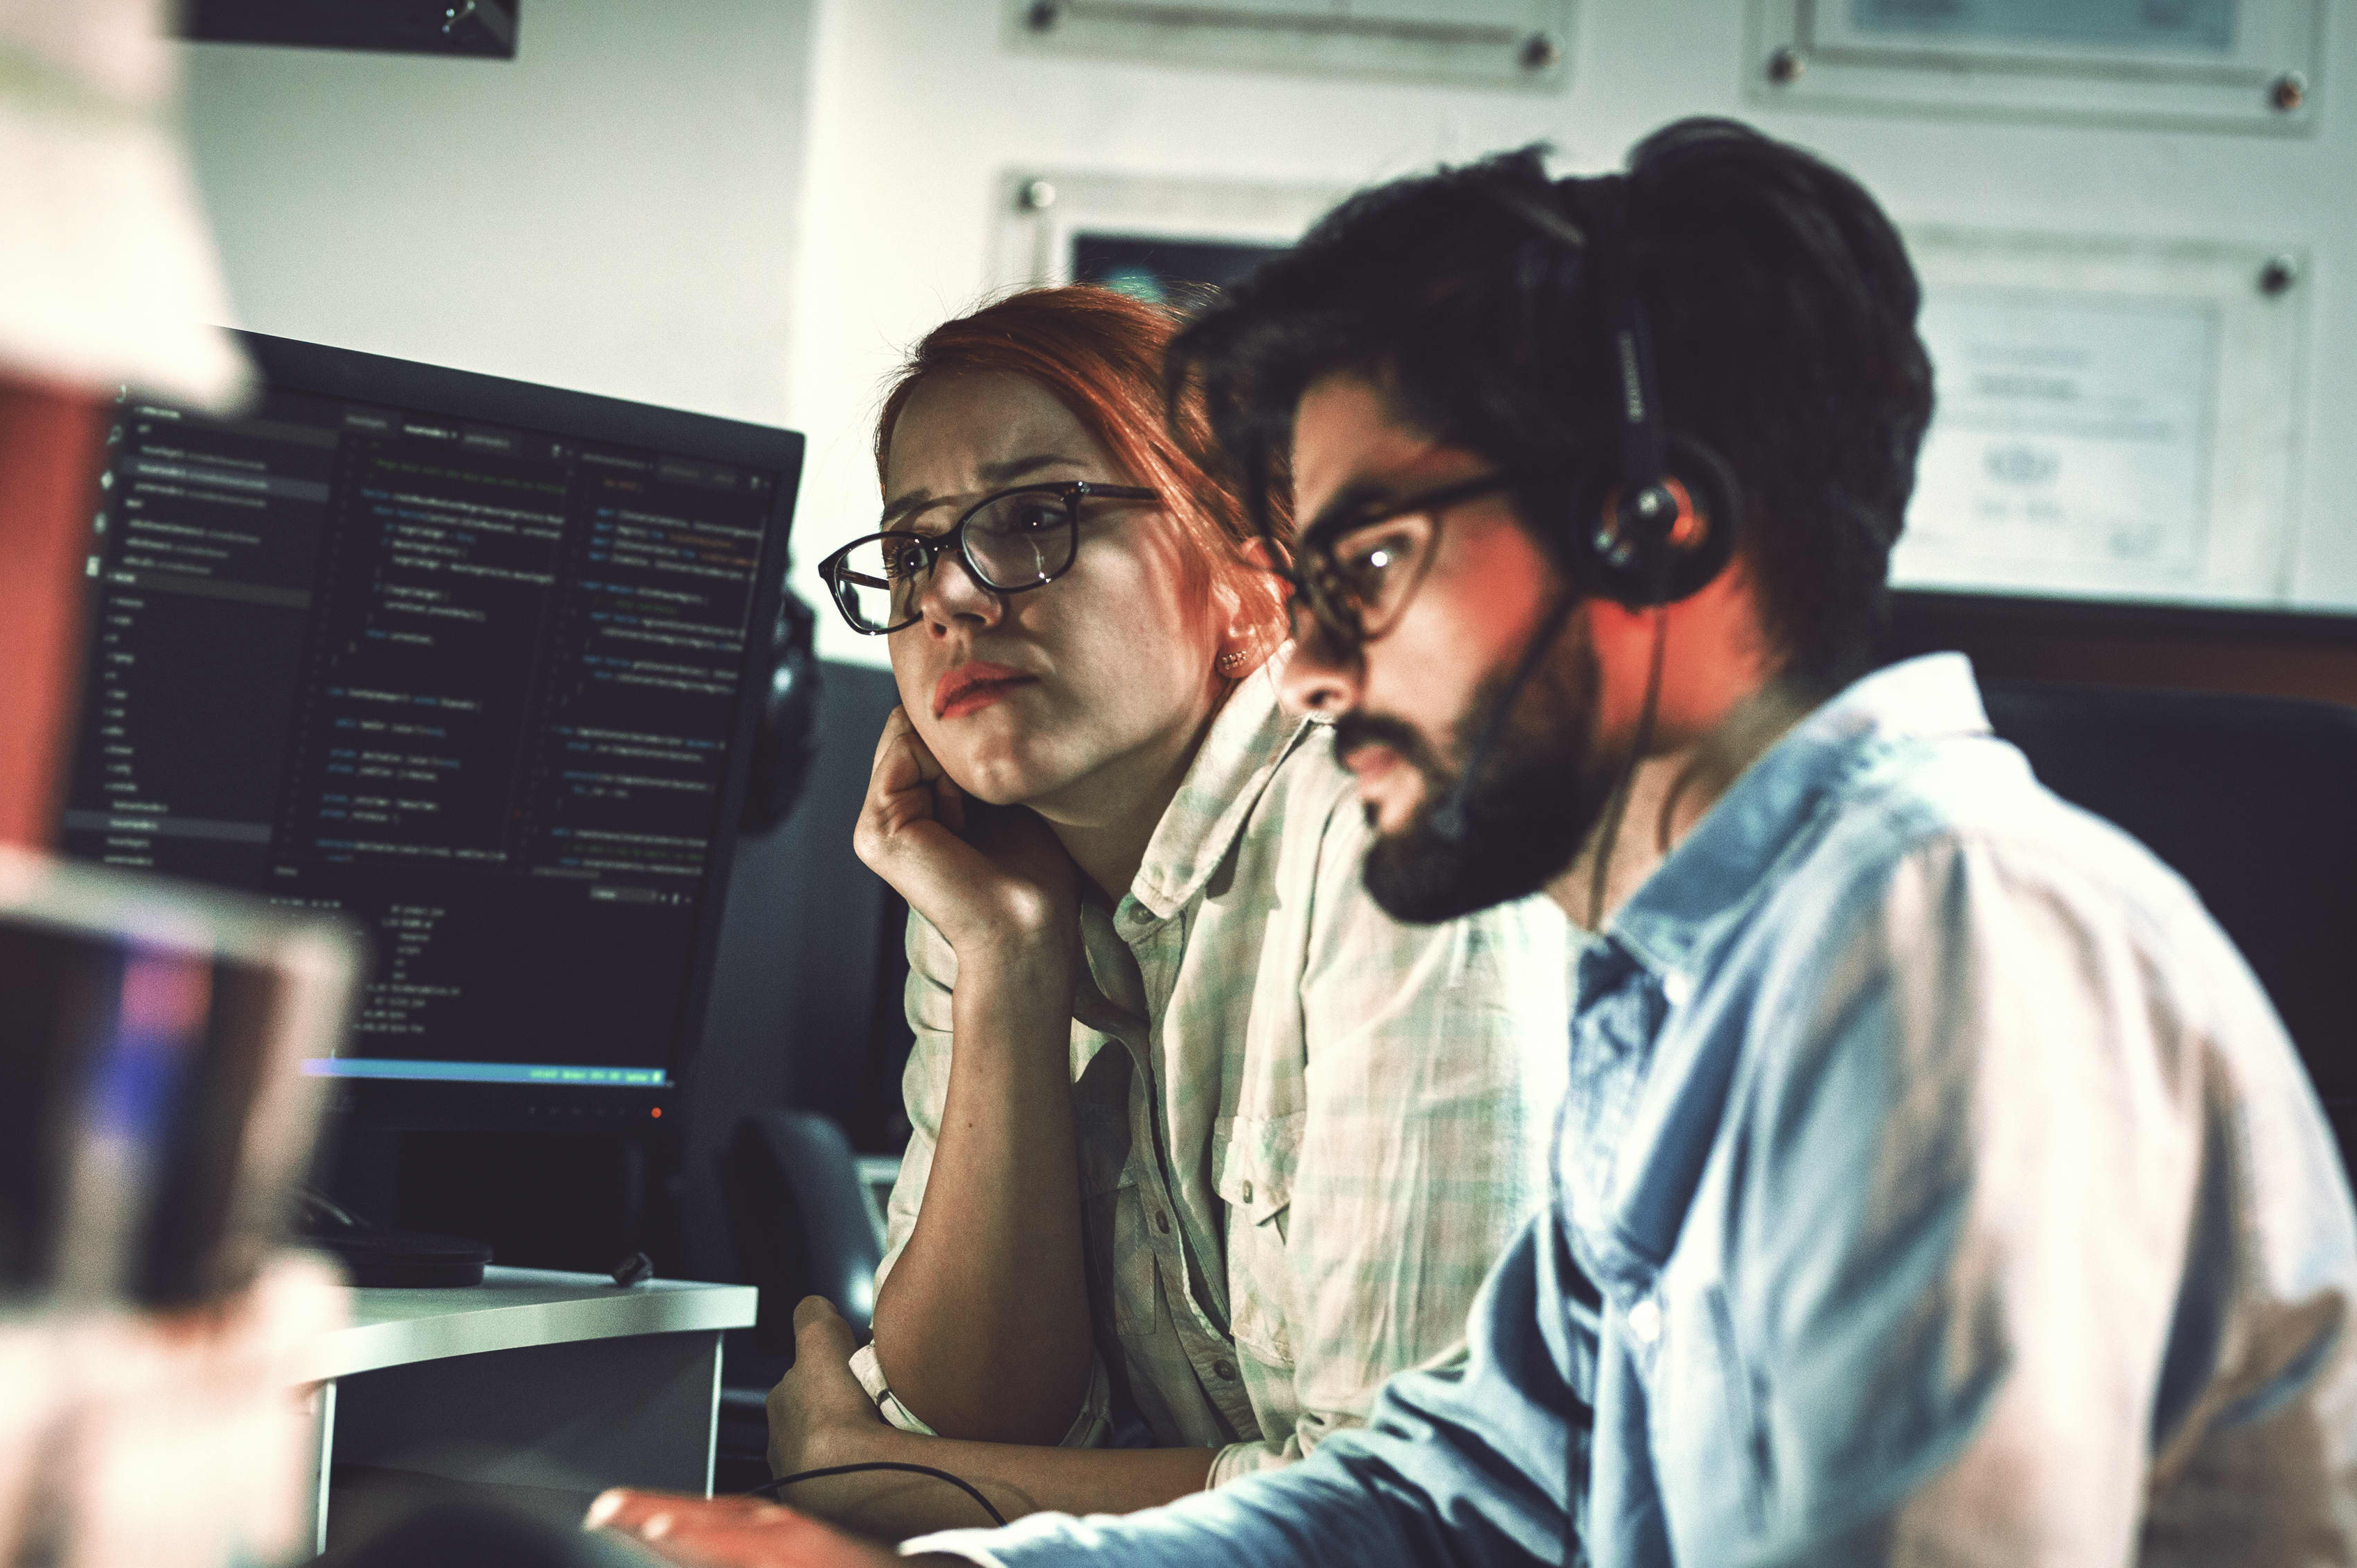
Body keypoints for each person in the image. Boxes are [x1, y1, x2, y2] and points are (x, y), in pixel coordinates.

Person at [593, 120, 2357, 1565]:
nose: (1307, 661)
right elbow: (1448, 1497)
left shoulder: (1933, 945)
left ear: (1645, 530)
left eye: (1361, 570)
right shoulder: (1693, 985)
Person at [771, 285, 1572, 1535]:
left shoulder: (1400, 836)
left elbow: (1438, 1511)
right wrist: (1011, 961)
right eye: (917, 546)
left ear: (1249, 567)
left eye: (1034, 519)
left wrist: (885, 1478)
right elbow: (978, 1412)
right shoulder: (995, 884)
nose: (953, 601)